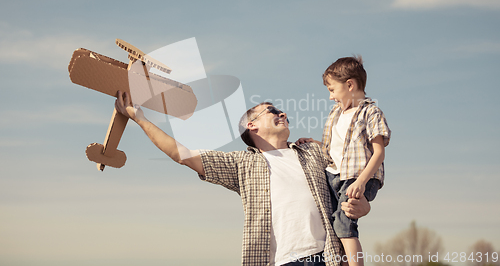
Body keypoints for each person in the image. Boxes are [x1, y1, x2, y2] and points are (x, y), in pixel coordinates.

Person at [114, 91, 370, 266]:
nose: (282, 114)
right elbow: (182, 154)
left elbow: (352, 176)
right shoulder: (242, 164)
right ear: (252, 125)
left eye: (282, 111)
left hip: (327, 257)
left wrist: (364, 204)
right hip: (280, 261)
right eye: (272, 111)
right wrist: (139, 118)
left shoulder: (313, 151)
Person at [297, 56, 391, 266]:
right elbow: (338, 149)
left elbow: (378, 153)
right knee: (332, 226)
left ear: (349, 85)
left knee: (344, 224)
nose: (330, 97)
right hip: (335, 175)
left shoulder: (370, 112)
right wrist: (315, 143)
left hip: (357, 176)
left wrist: (361, 182)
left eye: (332, 90)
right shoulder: (335, 114)